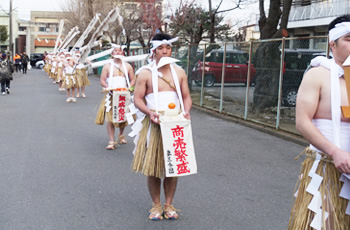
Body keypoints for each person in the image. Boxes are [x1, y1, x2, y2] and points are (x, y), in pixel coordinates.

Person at [288, 15, 350, 229]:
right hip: (326, 166)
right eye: (349, 39)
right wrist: (335, 152)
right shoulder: (317, 75)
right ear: (333, 43)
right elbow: (303, 122)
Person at [131, 33, 192, 220]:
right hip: (154, 124)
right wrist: (150, 113)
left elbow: (186, 97)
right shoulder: (145, 73)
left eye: (168, 48)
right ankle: (156, 205)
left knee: (173, 167)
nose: (165, 51)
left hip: (175, 124)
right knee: (154, 168)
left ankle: (168, 204)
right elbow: (137, 98)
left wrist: (186, 111)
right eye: (160, 48)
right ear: (153, 51)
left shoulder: (179, 72)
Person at [95, 44, 135, 149]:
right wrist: (108, 87)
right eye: (115, 51)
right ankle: (111, 140)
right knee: (110, 118)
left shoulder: (128, 66)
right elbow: (102, 80)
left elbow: (133, 79)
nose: (118, 52)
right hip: (111, 95)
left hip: (124, 94)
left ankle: (121, 134)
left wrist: (130, 88)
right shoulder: (107, 66)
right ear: (112, 53)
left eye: (120, 51)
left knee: (123, 116)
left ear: (123, 52)